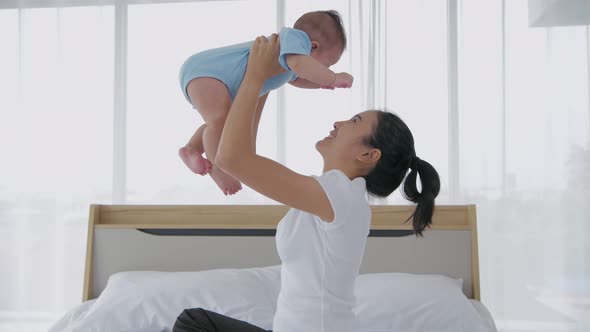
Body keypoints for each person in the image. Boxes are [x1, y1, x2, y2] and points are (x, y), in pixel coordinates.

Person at [172, 35, 440, 332]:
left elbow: (233, 159)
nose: (339, 123)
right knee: (192, 322)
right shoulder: (335, 194)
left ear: (368, 154)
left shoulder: (341, 195)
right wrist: (262, 84)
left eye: (353, 121)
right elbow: (240, 154)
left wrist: (254, 75)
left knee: (192, 324)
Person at [178, 10, 353, 196]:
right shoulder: (293, 40)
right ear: (312, 47)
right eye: (326, 66)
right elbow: (302, 66)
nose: (324, 70)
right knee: (218, 121)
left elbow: (296, 79)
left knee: (221, 121)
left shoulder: (290, 63)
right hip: (207, 72)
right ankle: (218, 169)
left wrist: (319, 83)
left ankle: (192, 149)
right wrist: (332, 78)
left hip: (212, 78)